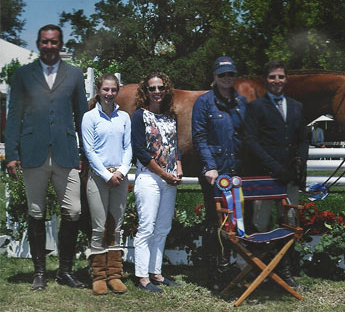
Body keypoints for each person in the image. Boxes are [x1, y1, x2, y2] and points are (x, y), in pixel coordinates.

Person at [5, 24, 88, 290]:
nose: (49, 46)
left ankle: (65, 271)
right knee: (36, 211)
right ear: (38, 44)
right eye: (45, 42)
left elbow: (82, 117)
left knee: (73, 210)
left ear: (60, 44)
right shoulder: (23, 74)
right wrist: (11, 154)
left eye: (54, 42)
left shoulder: (74, 75)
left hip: (66, 153)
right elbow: (14, 115)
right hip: (33, 153)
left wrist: (84, 152)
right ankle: (39, 272)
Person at [244, 60, 309, 288]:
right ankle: (260, 271)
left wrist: (300, 166)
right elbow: (251, 141)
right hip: (265, 177)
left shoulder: (297, 106)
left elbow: (303, 139)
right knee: (260, 223)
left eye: (281, 77)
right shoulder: (255, 107)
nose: (277, 81)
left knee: (289, 222)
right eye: (272, 77)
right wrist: (274, 167)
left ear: (286, 79)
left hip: (289, 178)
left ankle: (285, 272)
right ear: (266, 80)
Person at [192, 56, 247, 283]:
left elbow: (247, 135)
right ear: (214, 77)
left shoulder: (242, 102)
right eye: (222, 75)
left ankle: (236, 264)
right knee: (216, 221)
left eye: (230, 75)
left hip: (237, 171)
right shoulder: (203, 102)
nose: (226, 79)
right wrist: (210, 166)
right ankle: (215, 269)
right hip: (215, 172)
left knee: (238, 219)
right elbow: (199, 136)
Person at [131, 72, 182, 293]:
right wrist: (163, 173)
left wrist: (178, 167)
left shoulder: (171, 116)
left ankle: (156, 273)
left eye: (160, 87)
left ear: (166, 89)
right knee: (147, 228)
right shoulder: (139, 115)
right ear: (146, 91)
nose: (157, 92)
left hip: (169, 179)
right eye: (152, 88)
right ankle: (142, 276)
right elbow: (140, 151)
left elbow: (174, 147)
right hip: (149, 177)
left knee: (163, 228)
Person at [81, 74, 132, 295]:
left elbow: (128, 147)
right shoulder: (89, 117)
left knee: (116, 227)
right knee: (99, 226)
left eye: (113, 90)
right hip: (98, 177)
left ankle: (114, 274)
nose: (110, 94)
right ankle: (99, 276)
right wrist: (105, 174)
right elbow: (89, 150)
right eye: (106, 90)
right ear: (99, 91)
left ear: (117, 91)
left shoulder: (124, 117)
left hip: (119, 177)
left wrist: (120, 172)